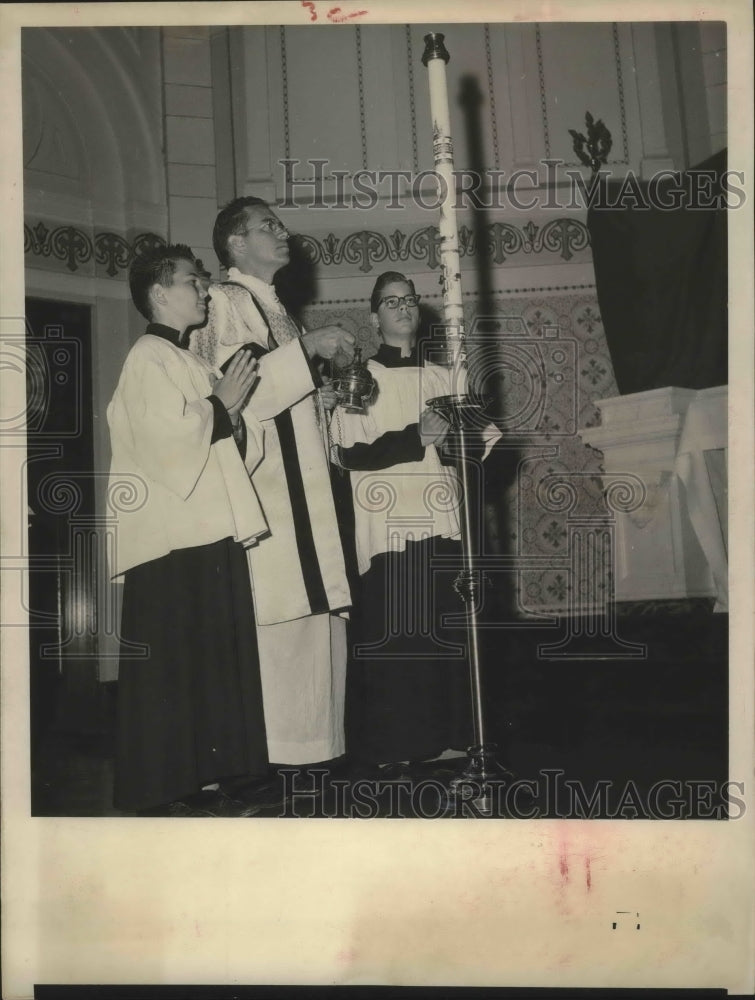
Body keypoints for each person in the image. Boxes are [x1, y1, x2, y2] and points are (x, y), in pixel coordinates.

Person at [190, 197, 356, 768]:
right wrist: (307, 352)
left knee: (315, 623)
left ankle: (317, 756)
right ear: (235, 244)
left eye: (280, 225)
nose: (283, 233)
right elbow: (235, 390)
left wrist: (321, 401)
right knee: (281, 620)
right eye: (268, 226)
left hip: (304, 491)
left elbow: (283, 390)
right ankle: (278, 760)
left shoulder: (277, 307)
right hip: (270, 495)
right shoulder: (223, 302)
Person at [107, 244, 268, 816]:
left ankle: (211, 779)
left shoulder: (194, 363)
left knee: (209, 662)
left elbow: (224, 444)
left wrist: (230, 410)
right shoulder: (146, 358)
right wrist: (221, 407)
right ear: (158, 293)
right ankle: (165, 790)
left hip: (208, 531)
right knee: (176, 669)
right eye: (192, 281)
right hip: (174, 540)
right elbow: (165, 445)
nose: (204, 290)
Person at [331, 271, 484, 768]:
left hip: (441, 518)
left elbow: (480, 451)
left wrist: (455, 441)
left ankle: (452, 738)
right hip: (388, 524)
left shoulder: (444, 378)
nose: (402, 307)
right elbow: (348, 453)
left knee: (444, 631)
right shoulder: (360, 379)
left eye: (410, 300)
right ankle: (399, 744)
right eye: (390, 301)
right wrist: (415, 434)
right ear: (375, 317)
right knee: (398, 635)